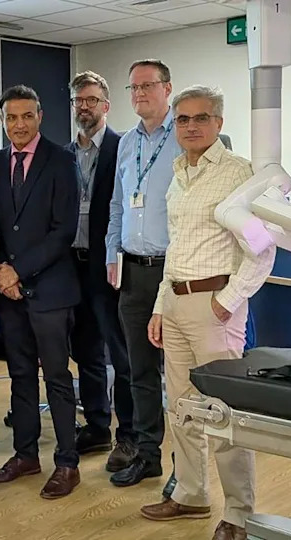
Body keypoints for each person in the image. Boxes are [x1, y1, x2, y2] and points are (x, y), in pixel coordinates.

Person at [139, 86, 274, 540]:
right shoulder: (180, 172)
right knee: (180, 408)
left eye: (201, 118)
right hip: (176, 299)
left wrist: (228, 301)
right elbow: (175, 247)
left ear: (219, 123)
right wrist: (162, 305)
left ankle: (240, 512)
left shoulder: (240, 173)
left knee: (224, 411)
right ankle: (191, 495)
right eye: (183, 120)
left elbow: (262, 248)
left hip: (214, 305)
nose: (191, 126)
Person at [0, 85, 81, 499]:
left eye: (26, 116)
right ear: (3, 121)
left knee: (56, 376)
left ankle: (67, 462)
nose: (18, 125)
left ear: (40, 115)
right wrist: (3, 271)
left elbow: (64, 231)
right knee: (20, 375)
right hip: (9, 292)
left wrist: (17, 271)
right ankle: (25, 454)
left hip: (51, 289)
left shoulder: (62, 161)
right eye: (10, 118)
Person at [105, 59, 182, 491]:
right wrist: (110, 253)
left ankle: (184, 466)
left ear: (167, 88)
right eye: (133, 88)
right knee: (139, 372)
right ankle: (148, 455)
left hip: (174, 274)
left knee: (180, 375)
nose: (139, 95)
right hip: (132, 272)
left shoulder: (186, 137)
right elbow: (118, 204)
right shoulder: (126, 142)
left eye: (147, 86)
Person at [65, 71, 135, 472]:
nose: (85, 107)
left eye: (91, 100)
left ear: (106, 105)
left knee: (119, 352)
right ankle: (96, 425)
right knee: (85, 350)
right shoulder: (63, 153)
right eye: (79, 101)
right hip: (71, 264)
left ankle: (128, 434)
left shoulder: (123, 148)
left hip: (109, 263)